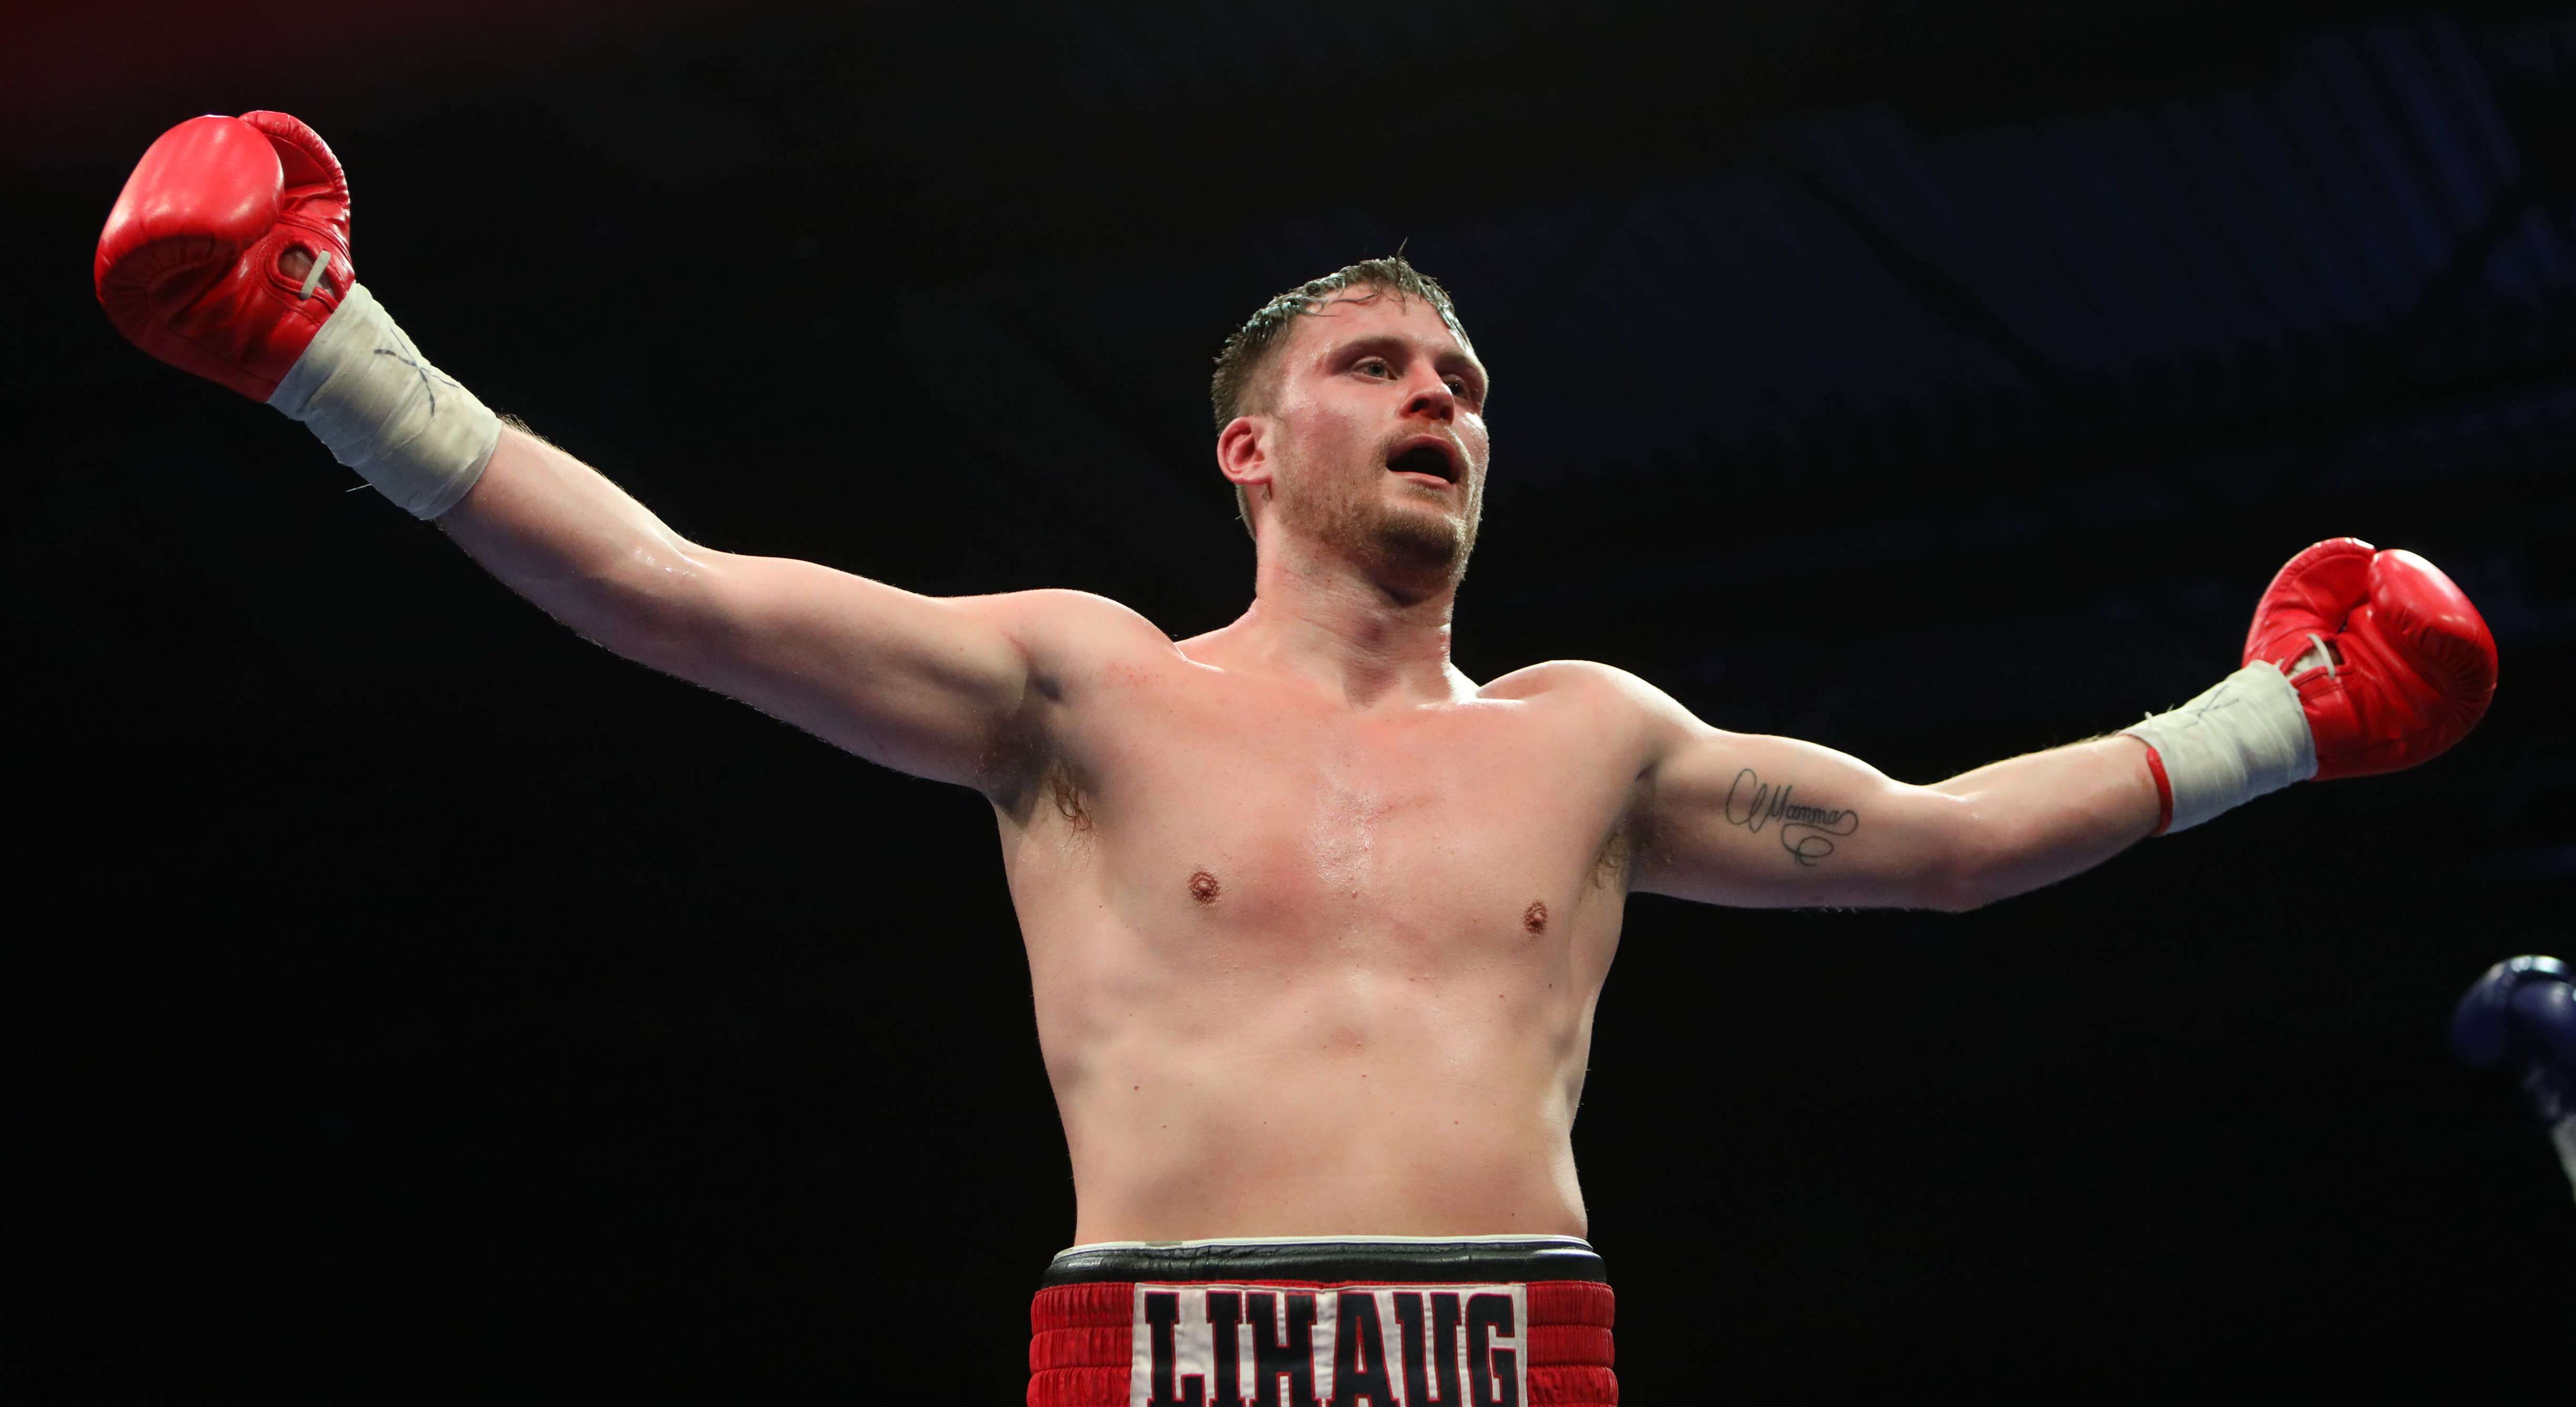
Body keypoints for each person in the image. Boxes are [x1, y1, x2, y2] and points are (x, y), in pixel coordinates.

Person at [96, 111, 2500, 1406]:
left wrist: (2275, 719)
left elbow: (1944, 845)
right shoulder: (1081, 695)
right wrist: (330, 359)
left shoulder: (1592, 740)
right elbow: (668, 588)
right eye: (1380, 365)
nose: (1441, 393)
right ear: (1250, 447)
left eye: (1464, 379)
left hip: (1518, 1353)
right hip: (1157, 1350)